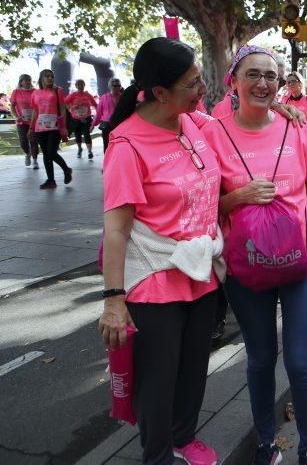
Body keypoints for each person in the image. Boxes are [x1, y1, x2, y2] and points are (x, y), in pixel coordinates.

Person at [203, 45, 307, 465]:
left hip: (303, 261)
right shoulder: (212, 134)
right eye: (253, 74)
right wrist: (237, 197)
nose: (262, 83)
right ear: (234, 81)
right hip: (246, 267)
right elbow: (201, 206)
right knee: (260, 360)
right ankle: (266, 442)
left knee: (300, 363)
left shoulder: (296, 128)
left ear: (280, 85)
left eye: (271, 76)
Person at [98, 38, 221, 465]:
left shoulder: (192, 122)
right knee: (158, 381)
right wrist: (114, 302)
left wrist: (286, 108)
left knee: (193, 371)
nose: (201, 88)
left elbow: (238, 118)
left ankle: (184, 439)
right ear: (161, 93)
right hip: (153, 281)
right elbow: (115, 229)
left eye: (200, 78)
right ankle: (157, 456)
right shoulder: (127, 145)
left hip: (201, 272)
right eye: (192, 83)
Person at [30, 69, 71, 189]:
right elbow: (35, 111)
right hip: (40, 127)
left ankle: (66, 169)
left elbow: (62, 109)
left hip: (55, 126)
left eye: (52, 76)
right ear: (41, 78)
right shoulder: (35, 93)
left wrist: (63, 126)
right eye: (47, 76)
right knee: (46, 155)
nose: (50, 78)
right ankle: (51, 180)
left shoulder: (58, 91)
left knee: (51, 152)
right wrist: (31, 128)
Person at [9, 74, 39, 168]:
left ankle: (35, 160)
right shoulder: (16, 92)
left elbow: (39, 105)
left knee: (34, 141)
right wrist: (17, 116)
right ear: (21, 82)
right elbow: (12, 106)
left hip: (34, 121)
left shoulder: (35, 91)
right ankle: (27, 153)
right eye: (25, 80)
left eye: (29, 80)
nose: (27, 82)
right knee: (23, 142)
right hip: (21, 121)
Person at [64, 79, 98, 159]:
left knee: (87, 134)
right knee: (77, 135)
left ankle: (89, 151)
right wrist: (71, 108)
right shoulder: (73, 95)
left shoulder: (88, 95)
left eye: (82, 84)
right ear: (76, 86)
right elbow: (65, 102)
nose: (80, 86)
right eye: (79, 85)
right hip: (76, 118)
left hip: (86, 118)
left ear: (84, 85)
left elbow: (95, 104)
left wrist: (97, 114)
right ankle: (79, 149)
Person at [94, 77, 123, 152]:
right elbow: (99, 112)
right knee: (106, 143)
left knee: (119, 143)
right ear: (110, 86)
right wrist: (93, 124)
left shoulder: (122, 97)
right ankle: (107, 160)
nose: (117, 87)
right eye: (115, 85)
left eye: (119, 86)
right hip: (107, 124)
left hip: (119, 124)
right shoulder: (104, 97)